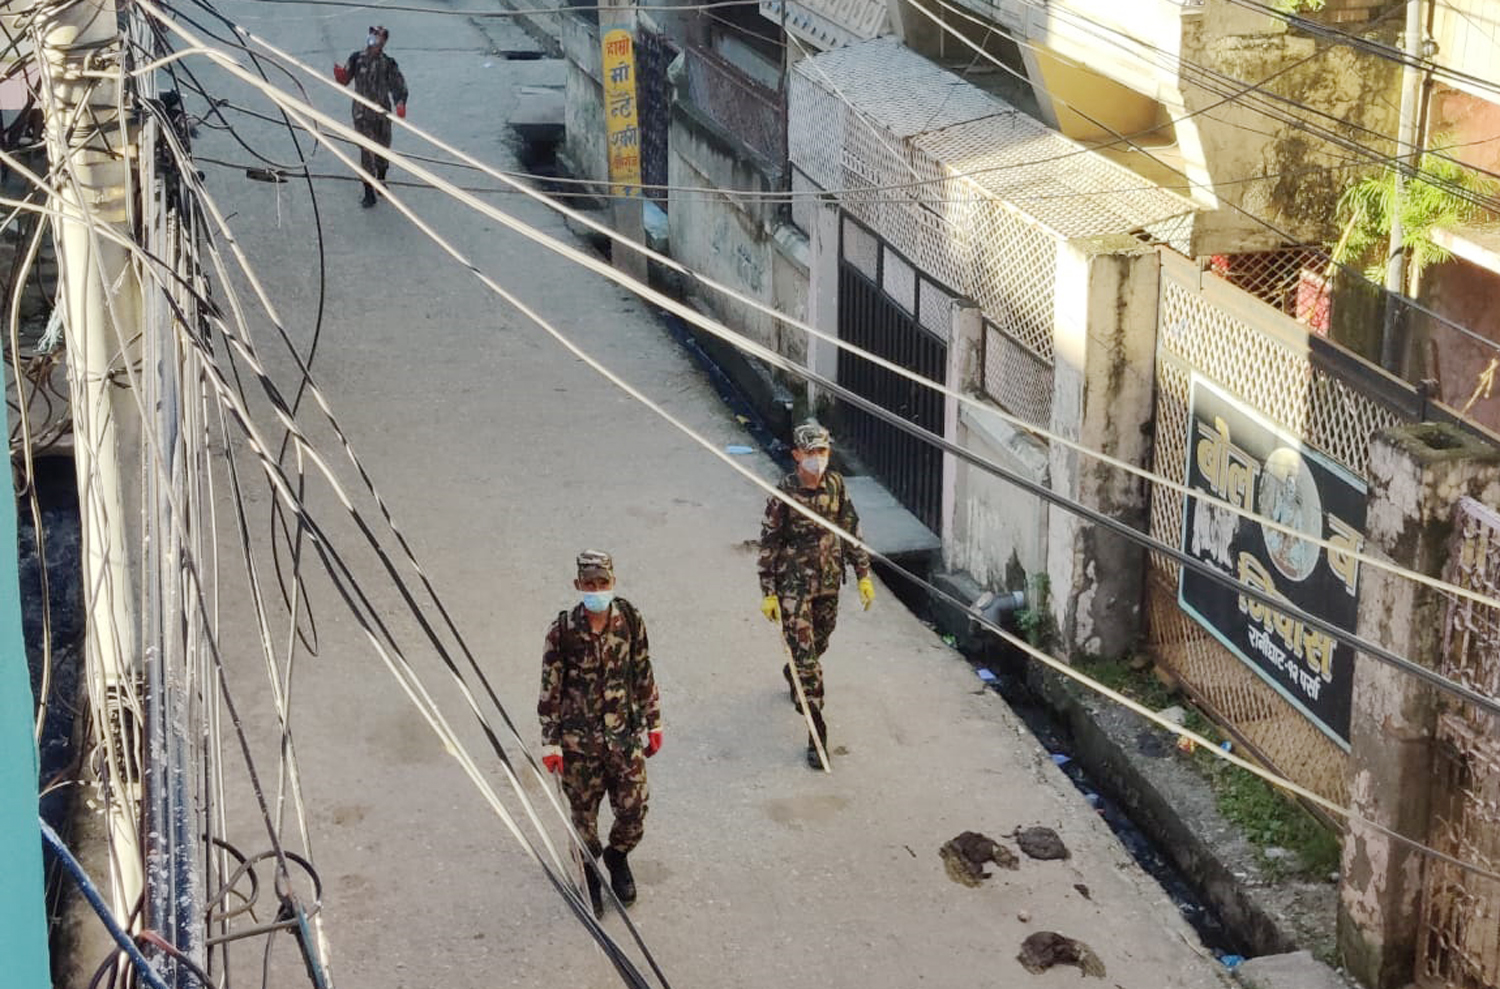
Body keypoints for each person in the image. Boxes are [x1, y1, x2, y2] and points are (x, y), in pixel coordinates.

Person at [539, 551, 662, 917]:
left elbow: (642, 670)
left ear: (613, 581)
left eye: (603, 583)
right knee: (582, 817)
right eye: (589, 585)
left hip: (623, 737)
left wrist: (653, 721)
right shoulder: (562, 631)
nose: (597, 590)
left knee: (634, 808)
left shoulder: (630, 620)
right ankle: (590, 869)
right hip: (579, 745)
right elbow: (550, 689)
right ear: (578, 586)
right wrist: (551, 741)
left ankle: (617, 856)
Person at [757, 421, 875, 768]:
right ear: (796, 455)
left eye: (822, 451)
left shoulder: (836, 486)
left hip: (828, 583)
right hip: (793, 588)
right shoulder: (784, 494)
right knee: (808, 662)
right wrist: (768, 592)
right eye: (811, 452)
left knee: (820, 643)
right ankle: (816, 731)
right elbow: (768, 545)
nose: (818, 458)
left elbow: (851, 530)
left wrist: (863, 574)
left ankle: (792, 672)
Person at [333, 26, 408, 207]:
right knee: (366, 153)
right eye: (371, 35)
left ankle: (381, 181)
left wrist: (400, 103)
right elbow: (345, 79)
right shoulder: (356, 58)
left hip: (382, 114)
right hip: (362, 114)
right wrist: (341, 76)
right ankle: (369, 192)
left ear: (383, 42)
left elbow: (398, 85)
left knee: (383, 150)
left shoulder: (388, 63)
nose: (372, 39)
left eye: (377, 37)